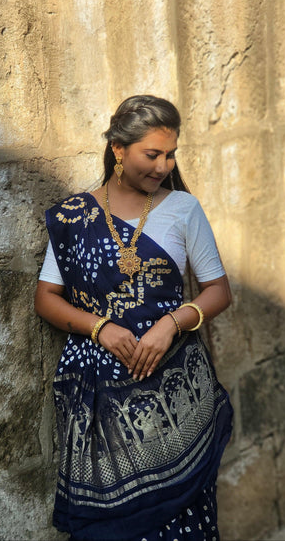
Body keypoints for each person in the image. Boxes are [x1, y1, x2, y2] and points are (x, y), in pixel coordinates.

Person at [34, 95, 233, 541]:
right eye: (153, 154)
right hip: (98, 396)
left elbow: (218, 291)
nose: (163, 166)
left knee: (183, 520)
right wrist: (99, 327)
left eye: (171, 154)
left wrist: (171, 324)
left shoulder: (183, 209)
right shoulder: (75, 217)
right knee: (109, 527)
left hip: (174, 389)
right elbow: (46, 298)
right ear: (119, 149)